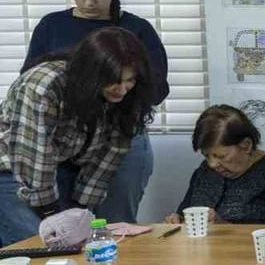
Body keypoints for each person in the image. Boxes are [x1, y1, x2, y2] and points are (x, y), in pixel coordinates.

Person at [22, 0, 169, 224]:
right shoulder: (52, 26)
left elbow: (157, 90)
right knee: (63, 225)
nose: (89, 1)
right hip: (64, 141)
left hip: (120, 136)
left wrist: (116, 93)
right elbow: (31, 82)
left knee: (115, 225)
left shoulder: (135, 29)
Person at [0, 28, 155, 246]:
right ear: (92, 73)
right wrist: (53, 216)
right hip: (12, 172)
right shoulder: (43, 84)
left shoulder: (129, 96)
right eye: (114, 80)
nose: (121, 89)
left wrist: (81, 211)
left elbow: (108, 157)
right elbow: (33, 158)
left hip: (61, 167)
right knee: (40, 246)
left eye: (129, 80)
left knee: (78, 245)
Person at [166, 106, 265, 226]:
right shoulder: (205, 171)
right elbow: (184, 211)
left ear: (246, 145)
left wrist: (223, 226)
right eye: (206, 156)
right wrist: (177, 220)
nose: (212, 164)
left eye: (221, 156)